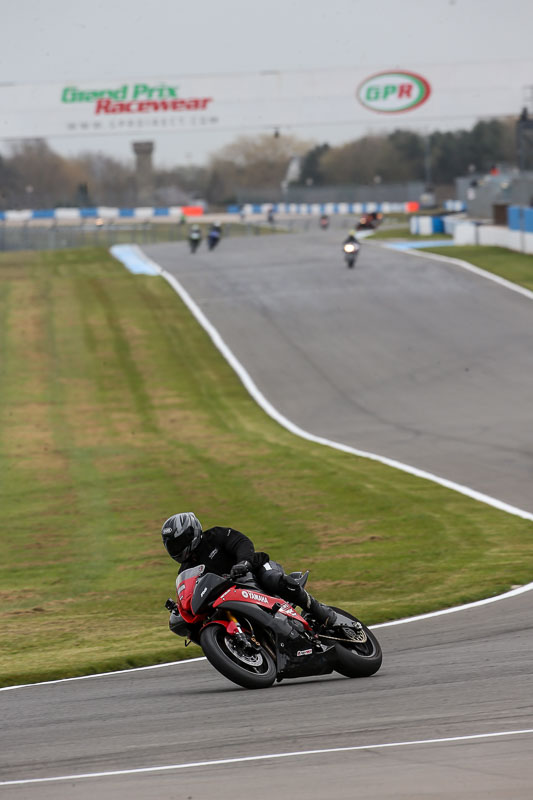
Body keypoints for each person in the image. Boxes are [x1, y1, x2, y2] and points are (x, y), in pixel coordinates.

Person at [162, 512, 336, 636]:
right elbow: (190, 589)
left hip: (255, 570)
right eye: (173, 546)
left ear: (192, 534)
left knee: (272, 579)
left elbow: (241, 542)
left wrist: (243, 562)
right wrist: (182, 607)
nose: (177, 549)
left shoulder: (215, 536)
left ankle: (320, 611)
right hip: (229, 594)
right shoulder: (185, 570)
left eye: (180, 543)